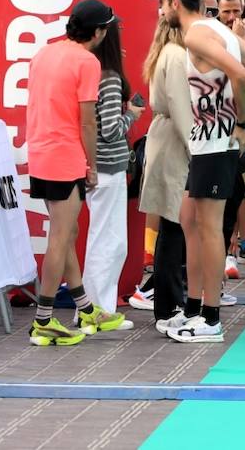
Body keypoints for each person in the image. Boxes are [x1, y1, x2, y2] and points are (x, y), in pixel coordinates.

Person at [156, 0, 245, 344]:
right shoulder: (215, 30)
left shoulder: (195, 34)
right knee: (190, 219)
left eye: (162, 4)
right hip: (208, 143)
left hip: (215, 143)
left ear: (175, 3)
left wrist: (243, 122)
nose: (160, 11)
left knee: (207, 227)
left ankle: (210, 317)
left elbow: (241, 73)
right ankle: (193, 307)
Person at [26, 0, 127, 346]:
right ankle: (43, 320)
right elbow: (88, 121)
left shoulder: (44, 53)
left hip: (40, 152)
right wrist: (93, 166)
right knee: (60, 238)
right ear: (99, 32)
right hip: (64, 157)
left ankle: (86, 309)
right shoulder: (87, 62)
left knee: (66, 235)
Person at [83, 18, 144, 319]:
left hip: (101, 166)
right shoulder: (108, 77)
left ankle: (96, 308)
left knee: (104, 239)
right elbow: (109, 129)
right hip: (109, 166)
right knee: (109, 241)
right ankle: (98, 310)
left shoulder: (94, 72)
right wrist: (131, 115)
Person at [139, 18, 194, 334]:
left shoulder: (165, 53)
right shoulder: (175, 55)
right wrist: (194, 144)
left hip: (166, 138)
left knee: (172, 228)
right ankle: (168, 303)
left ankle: (168, 301)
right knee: (174, 228)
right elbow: (178, 102)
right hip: (174, 140)